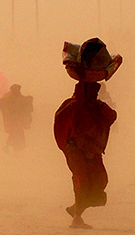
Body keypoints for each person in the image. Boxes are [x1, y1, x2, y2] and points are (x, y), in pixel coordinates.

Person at [54, 81, 117, 229]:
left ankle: (75, 209)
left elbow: (112, 117)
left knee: (99, 181)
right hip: (76, 150)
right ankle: (77, 217)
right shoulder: (72, 105)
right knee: (82, 181)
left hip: (93, 150)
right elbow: (62, 124)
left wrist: (99, 106)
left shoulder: (97, 106)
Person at [0, 84, 33, 153]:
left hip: (17, 120)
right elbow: (5, 107)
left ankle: (12, 148)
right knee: (15, 134)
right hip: (13, 120)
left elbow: (24, 101)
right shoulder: (8, 98)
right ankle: (11, 148)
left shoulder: (18, 96)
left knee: (15, 134)